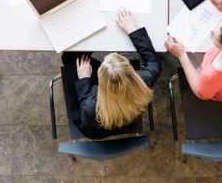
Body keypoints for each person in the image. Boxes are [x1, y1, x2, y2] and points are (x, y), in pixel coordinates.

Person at [60, 8, 161, 139]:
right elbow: (155, 62)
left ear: (99, 80)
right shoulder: (143, 81)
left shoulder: (91, 107)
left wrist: (84, 79)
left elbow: (85, 107)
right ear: (130, 71)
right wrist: (132, 30)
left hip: (93, 126)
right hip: (127, 119)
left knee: (69, 59)